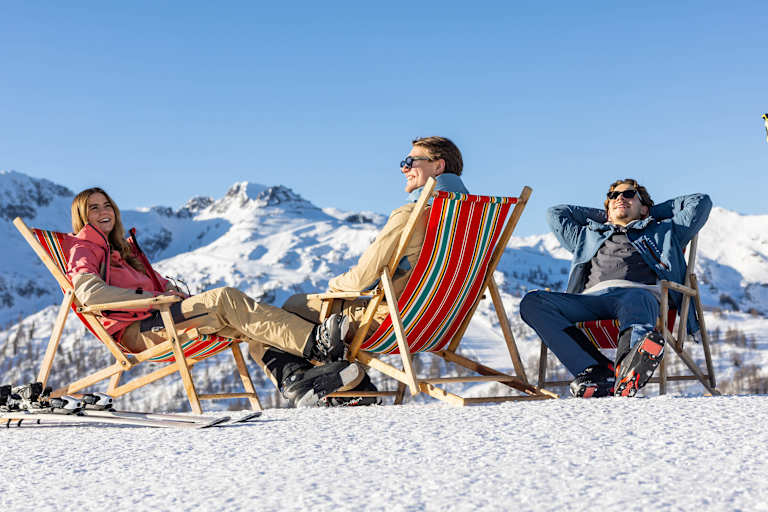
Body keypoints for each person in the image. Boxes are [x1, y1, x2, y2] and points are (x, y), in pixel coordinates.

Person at [66, 187, 364, 407]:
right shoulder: (84, 248)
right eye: (94, 208)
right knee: (225, 299)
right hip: (141, 330)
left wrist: (167, 291)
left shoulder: (120, 249)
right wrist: (150, 297)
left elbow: (151, 287)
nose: (104, 212)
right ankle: (317, 342)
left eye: (107, 205)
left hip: (161, 316)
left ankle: (296, 379)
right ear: (82, 216)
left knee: (252, 321)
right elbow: (90, 293)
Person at [251, 136, 470, 406]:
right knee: (309, 323)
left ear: (438, 167)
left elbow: (363, 278)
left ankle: (340, 386)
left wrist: (334, 287)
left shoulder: (414, 214)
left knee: (287, 311)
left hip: (392, 323)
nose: (404, 168)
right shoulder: (471, 221)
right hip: (441, 321)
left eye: (410, 161)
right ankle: (341, 384)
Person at [519, 179, 712, 397]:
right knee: (533, 303)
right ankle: (597, 370)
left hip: (637, 295)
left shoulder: (663, 231)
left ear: (644, 208)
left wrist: (649, 214)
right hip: (590, 300)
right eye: (614, 196)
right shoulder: (588, 236)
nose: (620, 198)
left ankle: (628, 367)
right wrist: (609, 214)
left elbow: (700, 202)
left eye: (629, 195)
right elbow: (556, 213)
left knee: (637, 297)